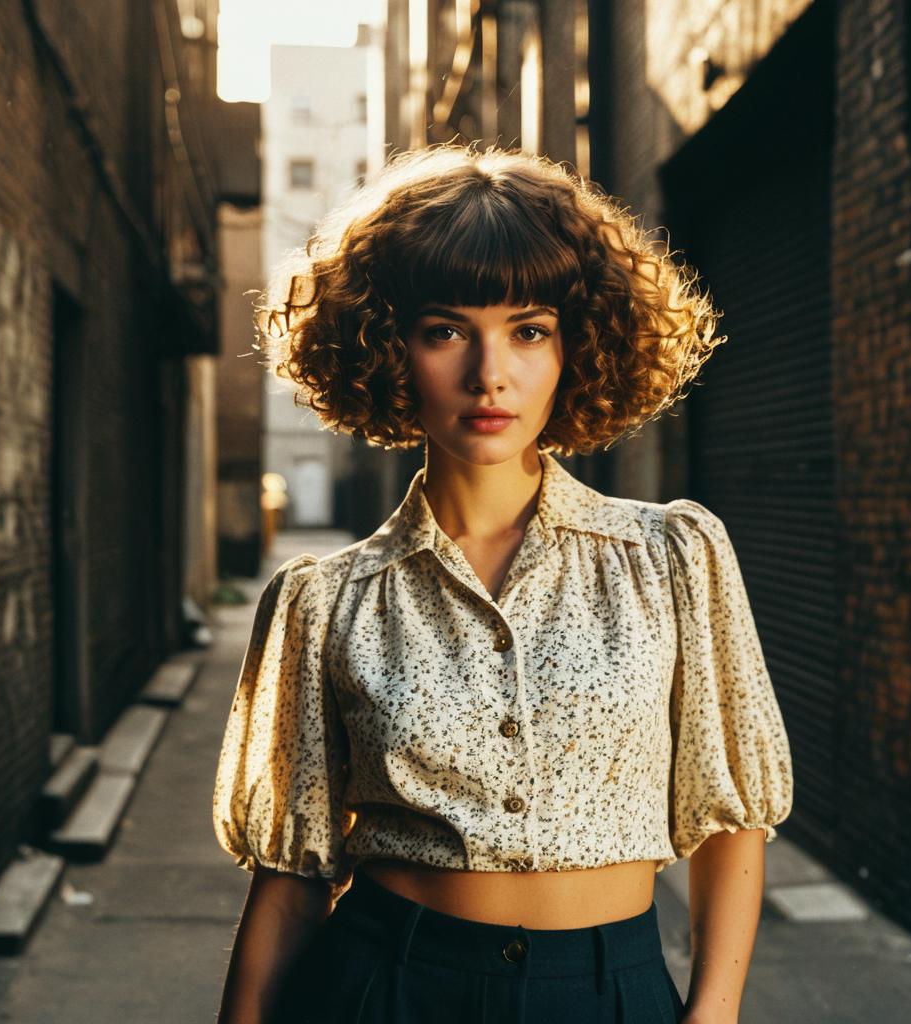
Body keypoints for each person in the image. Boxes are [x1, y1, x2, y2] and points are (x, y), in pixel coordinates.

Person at [213, 143, 793, 1024]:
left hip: (609, 993)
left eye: (529, 330)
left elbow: (730, 822)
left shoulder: (672, 558)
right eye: (446, 329)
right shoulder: (323, 602)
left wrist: (712, 1014)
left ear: (578, 345)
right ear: (388, 347)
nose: (491, 374)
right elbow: (291, 881)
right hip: (385, 989)